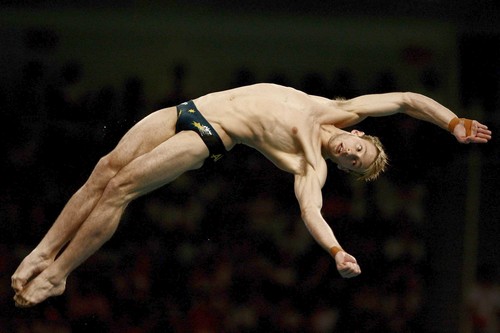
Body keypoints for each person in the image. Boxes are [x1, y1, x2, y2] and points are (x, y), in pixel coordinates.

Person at [11, 83, 491, 307]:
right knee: (103, 171)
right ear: (364, 135)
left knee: (119, 189)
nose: (349, 154)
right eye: (359, 150)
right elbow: (408, 102)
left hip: (210, 136)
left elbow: (311, 210)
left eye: (352, 164)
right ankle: (43, 251)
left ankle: (58, 274)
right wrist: (453, 122)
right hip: (190, 107)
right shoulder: (340, 109)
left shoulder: (310, 167)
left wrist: (337, 250)